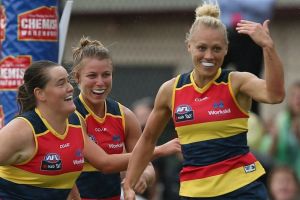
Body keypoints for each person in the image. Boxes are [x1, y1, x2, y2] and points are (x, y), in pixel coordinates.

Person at [123, 1, 285, 199]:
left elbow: (275, 94)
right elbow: (147, 139)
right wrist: (129, 183)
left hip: (243, 190)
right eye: (202, 48)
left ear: (226, 49)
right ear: (189, 46)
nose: (209, 56)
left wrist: (268, 46)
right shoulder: (171, 90)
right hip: (194, 193)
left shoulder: (237, 82)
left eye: (216, 49)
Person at [0, 60, 180, 199]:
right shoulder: (24, 129)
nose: (70, 88)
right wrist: (159, 150)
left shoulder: (74, 124)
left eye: (68, 82)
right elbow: (108, 163)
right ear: (40, 94)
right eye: (61, 83)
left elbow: (100, 163)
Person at [70, 37, 180, 200]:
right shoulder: (72, 115)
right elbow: (105, 164)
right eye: (92, 75)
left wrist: (143, 177)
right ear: (77, 77)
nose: (100, 82)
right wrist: (160, 150)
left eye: (106, 75)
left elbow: (147, 166)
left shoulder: (124, 115)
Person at [218, 0, 275, 114]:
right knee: (206, 75)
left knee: (252, 84)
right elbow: (211, 4)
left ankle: (252, 122)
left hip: (251, 38)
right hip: (222, 34)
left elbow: (264, 6)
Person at [267, 81, 300, 179]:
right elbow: (269, 156)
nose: (298, 100)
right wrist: (274, 138)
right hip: (282, 174)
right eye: (294, 96)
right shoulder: (281, 120)